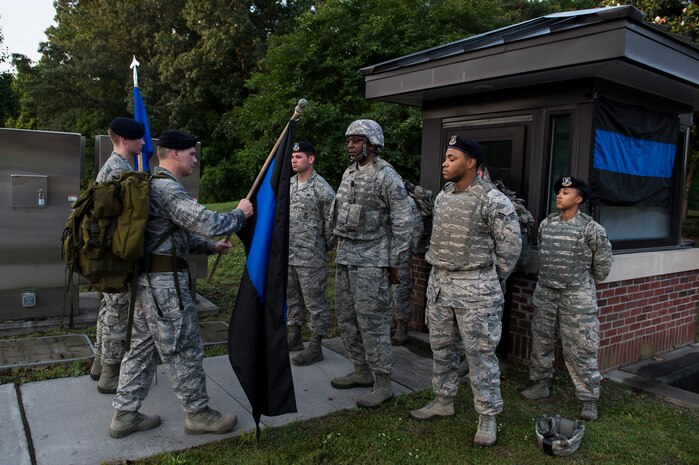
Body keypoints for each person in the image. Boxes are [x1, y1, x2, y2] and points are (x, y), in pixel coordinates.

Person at [110, 130, 254, 438]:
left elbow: (173, 234)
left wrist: (208, 248)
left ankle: (125, 414)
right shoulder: (167, 189)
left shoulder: (152, 184)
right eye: (191, 153)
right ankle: (198, 413)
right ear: (175, 154)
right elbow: (208, 222)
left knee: (140, 347)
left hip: (148, 282)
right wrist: (239, 214)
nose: (195, 159)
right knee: (184, 346)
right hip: (165, 287)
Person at [409, 136, 521, 447]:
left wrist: (486, 279)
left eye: (452, 157)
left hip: (475, 291)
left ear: (471, 162)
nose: (444, 163)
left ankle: (487, 416)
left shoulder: (493, 200)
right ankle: (443, 400)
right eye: (445, 157)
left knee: (480, 355)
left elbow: (510, 249)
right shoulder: (443, 196)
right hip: (441, 286)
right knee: (442, 349)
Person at [330, 119, 414, 409]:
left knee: (373, 321)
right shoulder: (349, 173)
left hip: (373, 260)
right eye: (349, 140)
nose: (350, 145)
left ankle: (383, 382)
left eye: (356, 140)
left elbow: (405, 222)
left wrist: (394, 262)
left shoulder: (386, 176)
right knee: (347, 317)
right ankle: (361, 369)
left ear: (371, 142)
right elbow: (337, 211)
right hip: (346, 256)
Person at [520, 176, 612, 422]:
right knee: (541, 341)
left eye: (566, 192)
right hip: (547, 294)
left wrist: (578, 280)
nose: (560, 195)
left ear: (579, 199)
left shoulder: (592, 229)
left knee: (581, 348)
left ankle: (588, 398)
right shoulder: (546, 224)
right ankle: (540, 384)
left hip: (576, 297)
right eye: (559, 191)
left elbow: (602, 268)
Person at [90, 117, 145, 394]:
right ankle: (110, 374)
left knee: (107, 309)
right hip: (115, 258)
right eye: (139, 139)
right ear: (124, 140)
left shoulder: (115, 167)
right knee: (117, 313)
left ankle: (100, 364)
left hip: (108, 255)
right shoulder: (118, 171)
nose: (144, 143)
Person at [286, 141, 336, 366]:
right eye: (293, 157)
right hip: (289, 255)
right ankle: (294, 336)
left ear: (311, 159)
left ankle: (316, 344)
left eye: (299, 156)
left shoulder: (322, 189)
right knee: (292, 298)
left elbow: (332, 224)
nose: (294, 160)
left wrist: (322, 247)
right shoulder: (288, 185)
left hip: (311, 257)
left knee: (314, 302)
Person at [390, 192, 423, 346]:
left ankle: (402, 328)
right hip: (380, 252)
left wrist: (412, 248)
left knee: (400, 292)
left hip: (400, 254)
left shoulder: (406, 201)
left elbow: (417, 226)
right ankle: (388, 325)